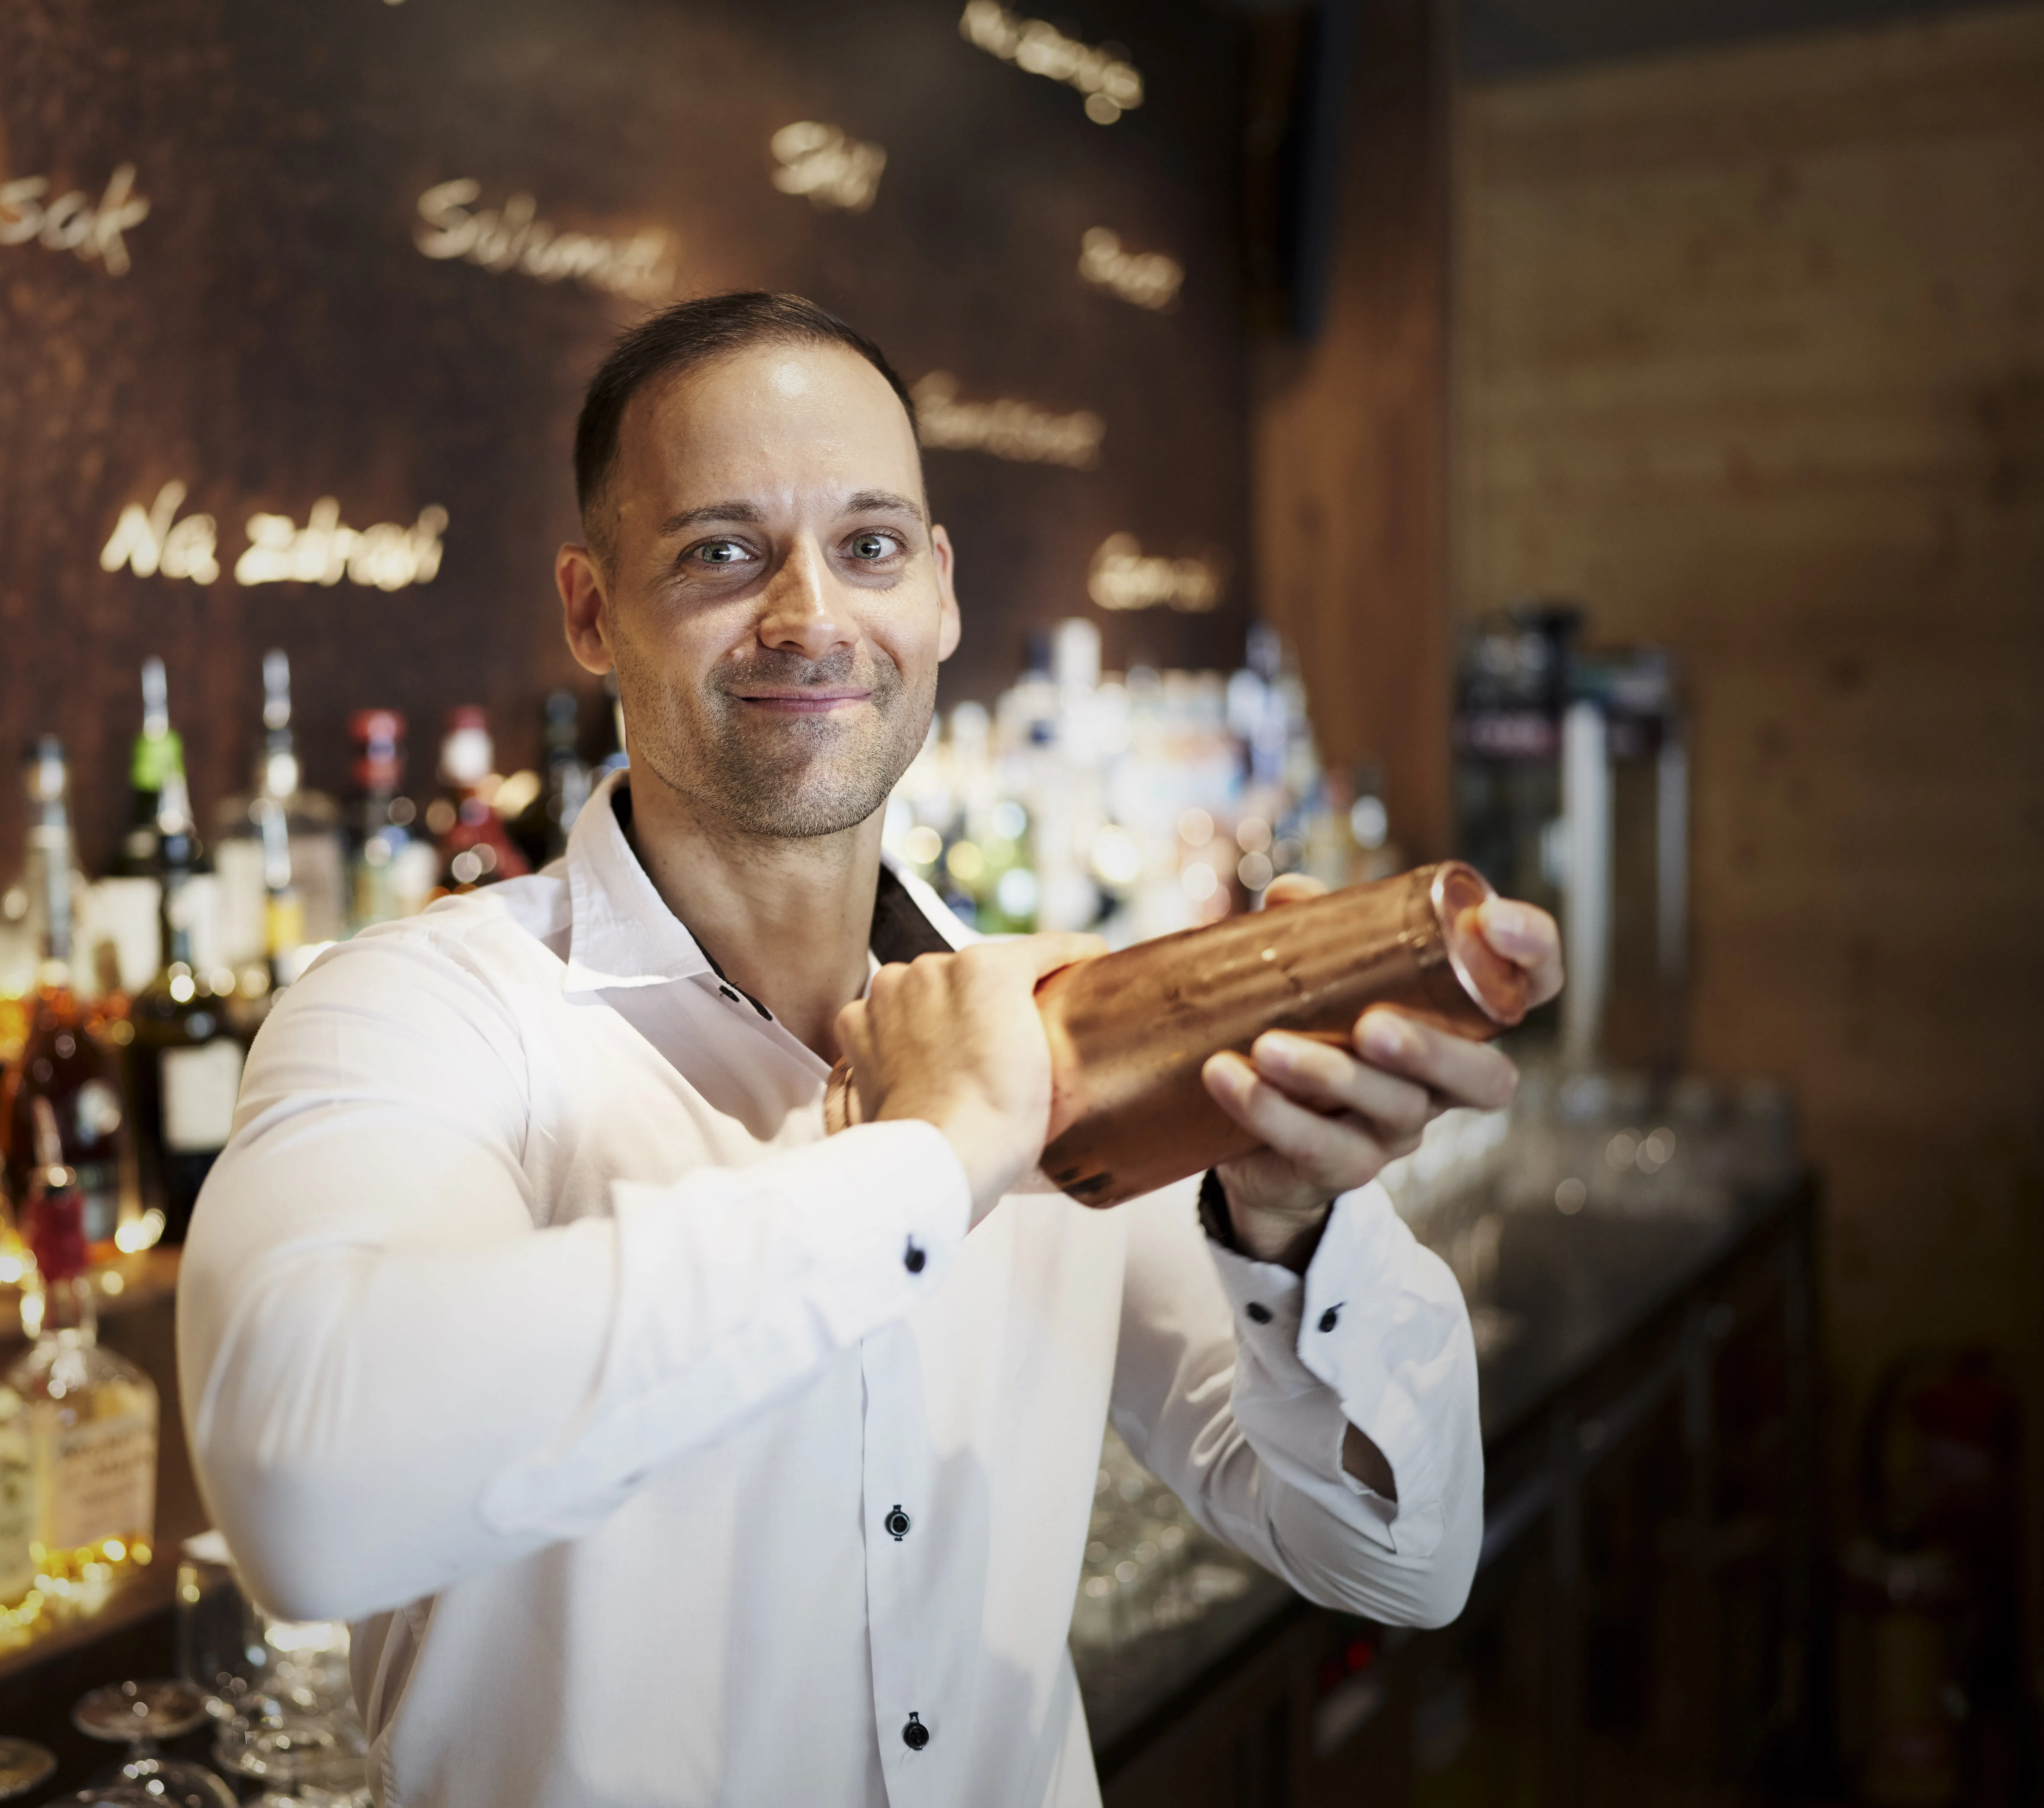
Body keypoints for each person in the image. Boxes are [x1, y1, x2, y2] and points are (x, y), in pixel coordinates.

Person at [178, 292, 1564, 1807]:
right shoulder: (425, 1009)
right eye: (719, 551)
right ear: (590, 612)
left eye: (869, 545)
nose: (810, 614)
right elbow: (305, 1494)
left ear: (941, 594)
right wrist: (927, 1162)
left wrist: (1292, 1224)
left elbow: (1397, 1556)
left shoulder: (1057, 1019)